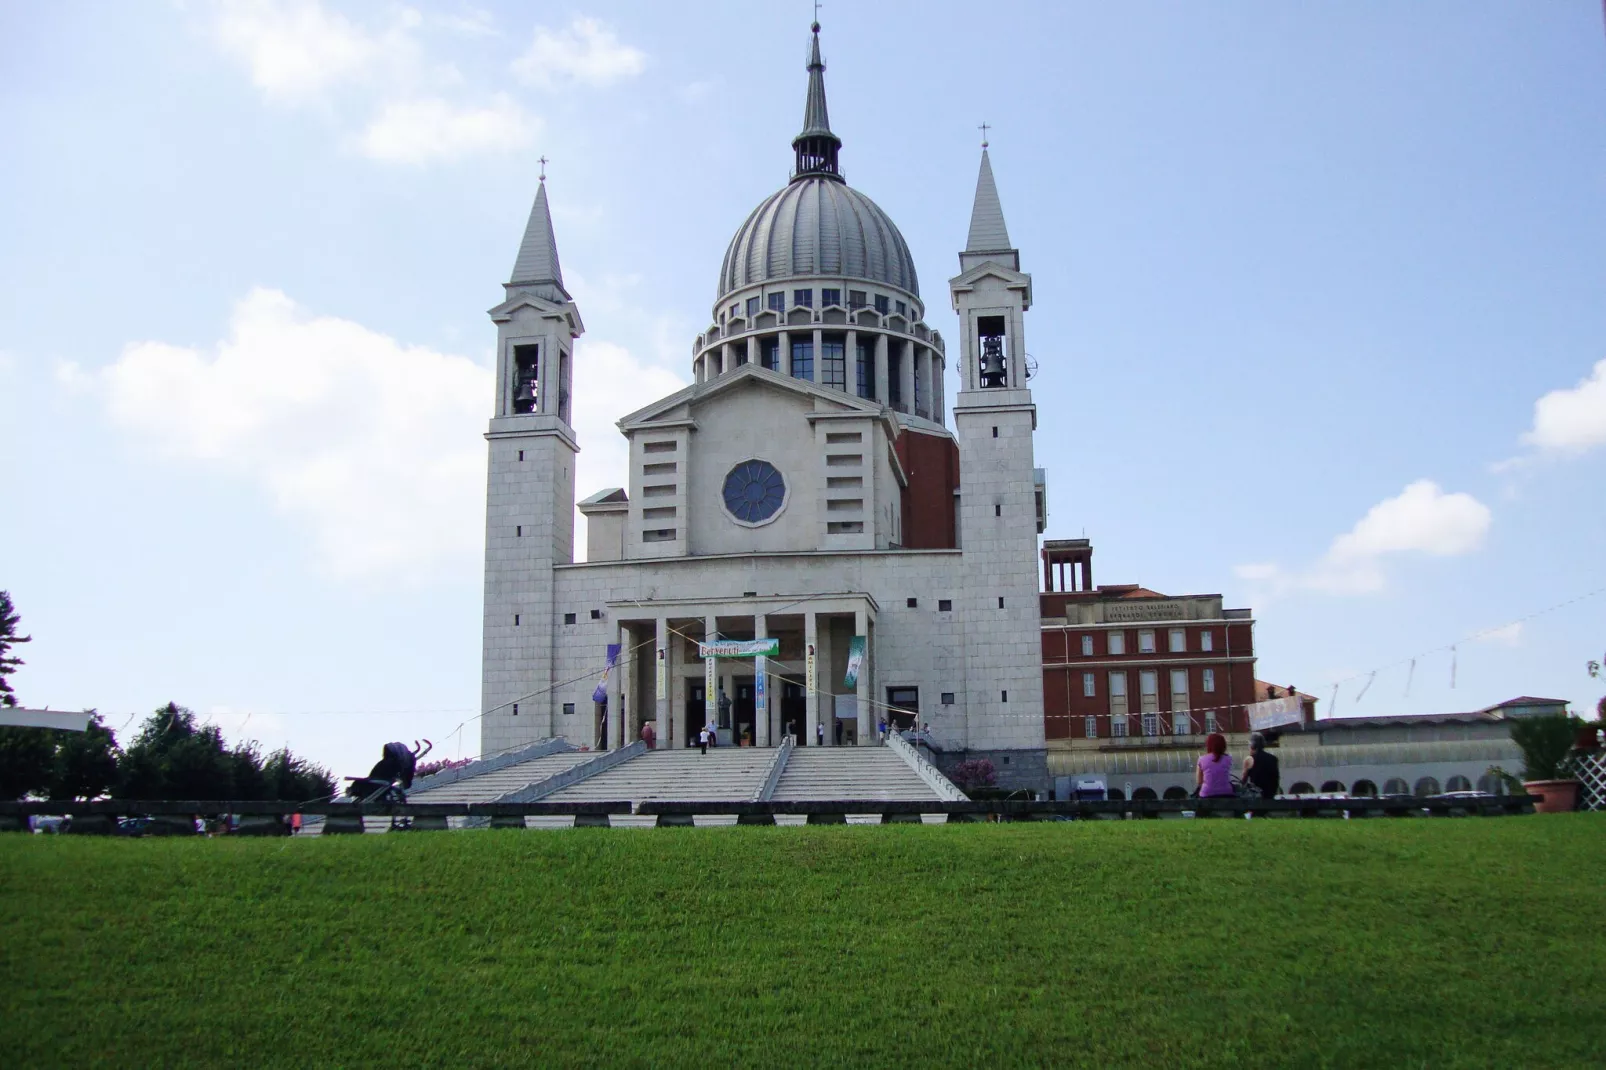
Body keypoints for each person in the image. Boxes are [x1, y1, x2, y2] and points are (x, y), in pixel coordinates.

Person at [1242, 732, 1280, 799]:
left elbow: (1243, 781)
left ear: (1252, 745)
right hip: (1270, 795)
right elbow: (1276, 779)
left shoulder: (1249, 759)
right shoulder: (1273, 758)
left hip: (1257, 796)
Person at [1196, 732, 1234, 798]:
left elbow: (1199, 782)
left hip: (1207, 794)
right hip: (1227, 793)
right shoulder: (1228, 758)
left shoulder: (1201, 759)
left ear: (1208, 745)